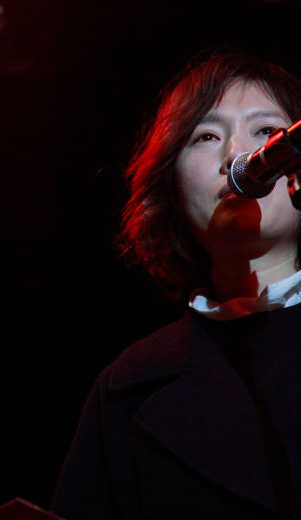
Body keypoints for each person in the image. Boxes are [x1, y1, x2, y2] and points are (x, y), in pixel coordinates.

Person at [51, 49, 301, 519]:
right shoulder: (129, 388)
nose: (238, 155)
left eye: (267, 131)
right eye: (206, 136)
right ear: (171, 185)